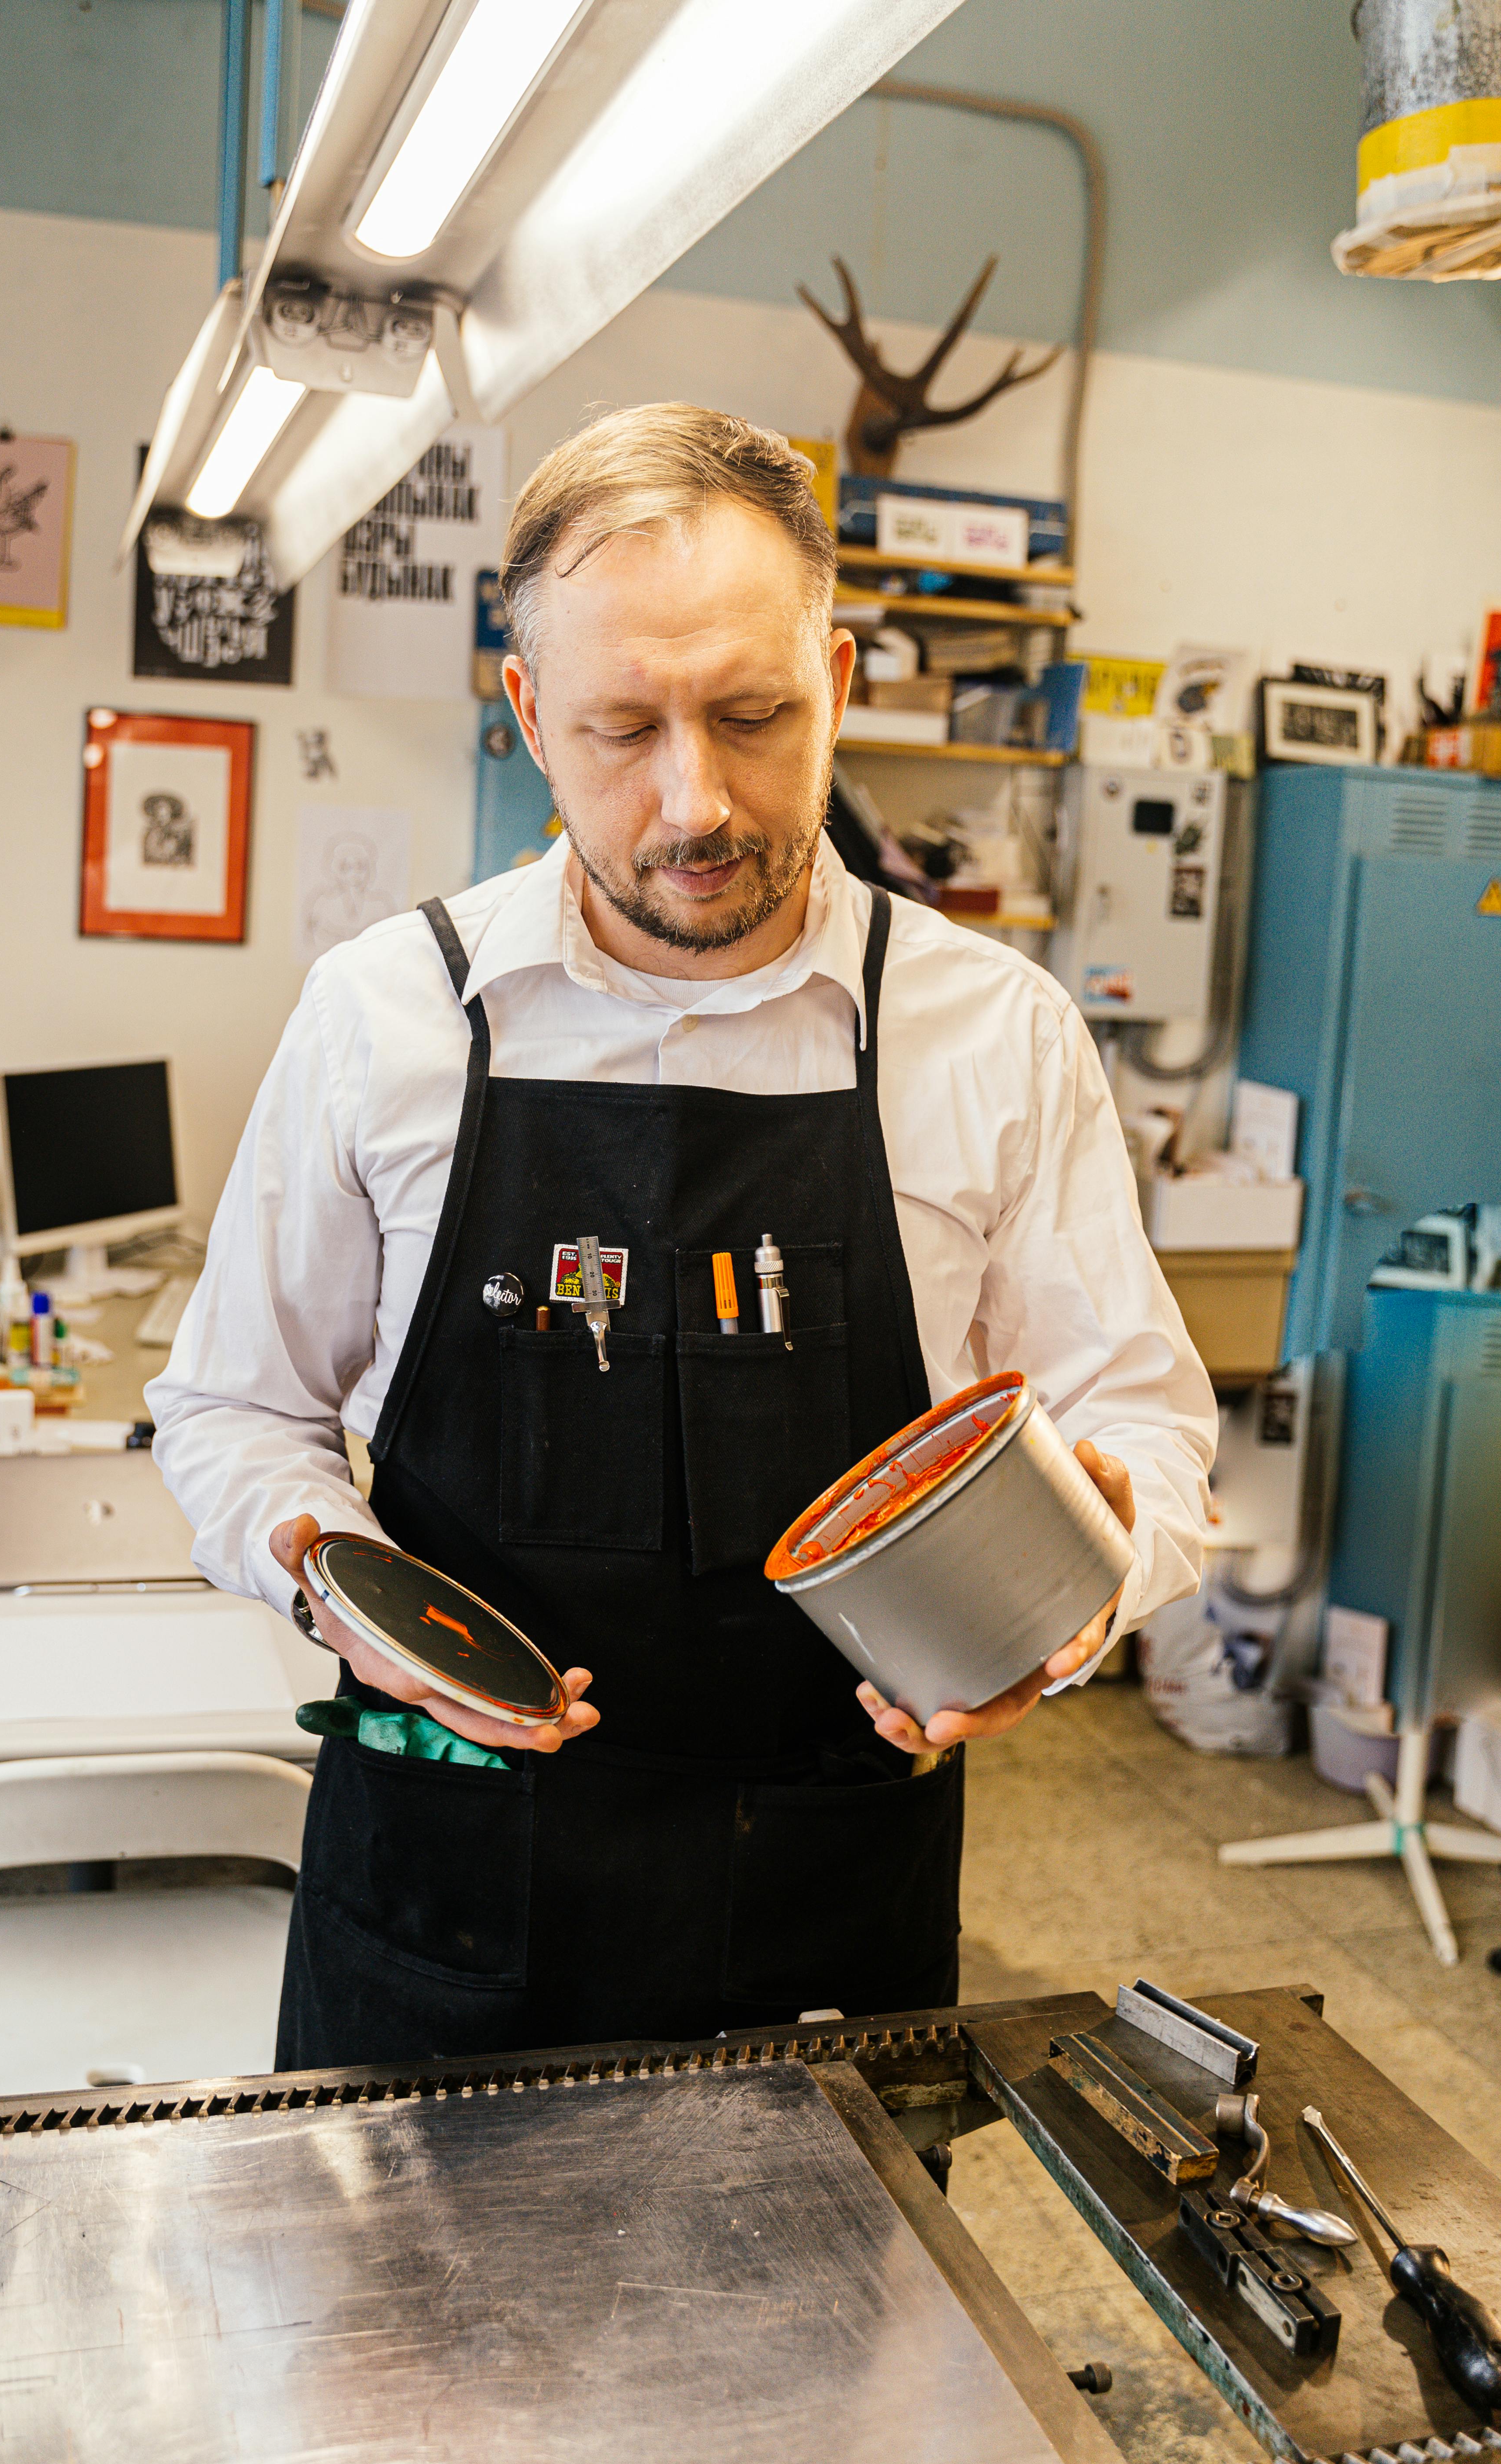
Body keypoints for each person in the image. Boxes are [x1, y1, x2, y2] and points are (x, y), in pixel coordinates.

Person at [149, 404, 1215, 2071]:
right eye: (621, 730)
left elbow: (1145, 1427)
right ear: (525, 715)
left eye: (755, 716)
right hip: (442, 1906)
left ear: (842, 684)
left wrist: (1071, 1605)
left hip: (823, 1918)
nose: (693, 800)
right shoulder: (389, 1017)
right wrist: (323, 1579)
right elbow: (232, 1411)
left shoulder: (992, 1035)